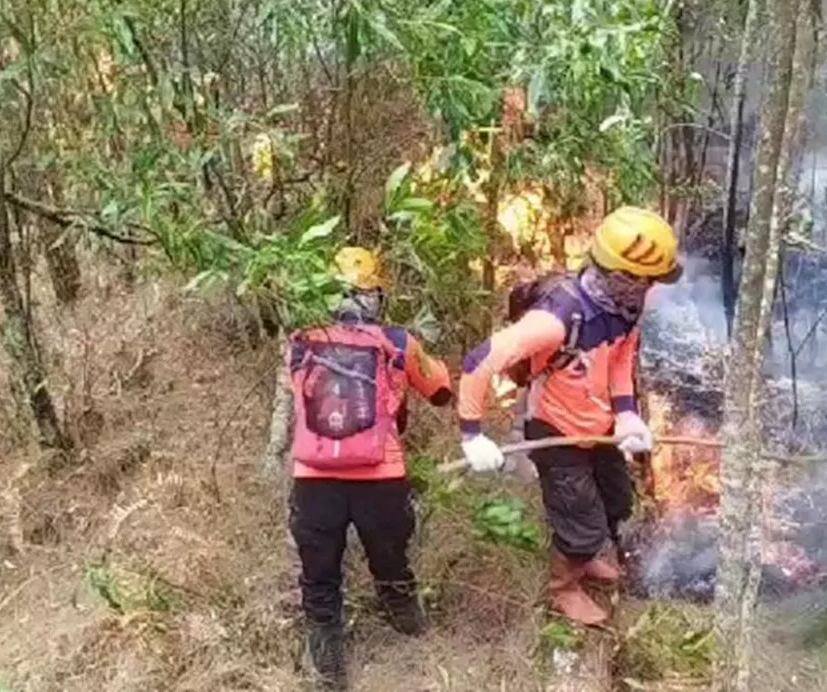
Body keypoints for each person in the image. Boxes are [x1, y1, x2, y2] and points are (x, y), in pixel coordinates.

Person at [454, 206, 682, 626]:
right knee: (579, 522)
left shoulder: (624, 311)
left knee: (616, 500)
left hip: (598, 427)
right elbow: (477, 362)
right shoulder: (555, 321)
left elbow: (618, 364)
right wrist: (472, 433)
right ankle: (564, 586)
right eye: (647, 281)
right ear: (623, 276)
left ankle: (588, 555)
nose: (651, 290)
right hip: (555, 429)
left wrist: (627, 416)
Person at [275, 246, 453, 690]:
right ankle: (406, 620)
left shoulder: (299, 341)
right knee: (391, 558)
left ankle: (328, 664)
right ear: (377, 295)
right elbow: (440, 389)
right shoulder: (396, 342)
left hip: (314, 477)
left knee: (319, 574)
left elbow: (293, 398)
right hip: (381, 476)